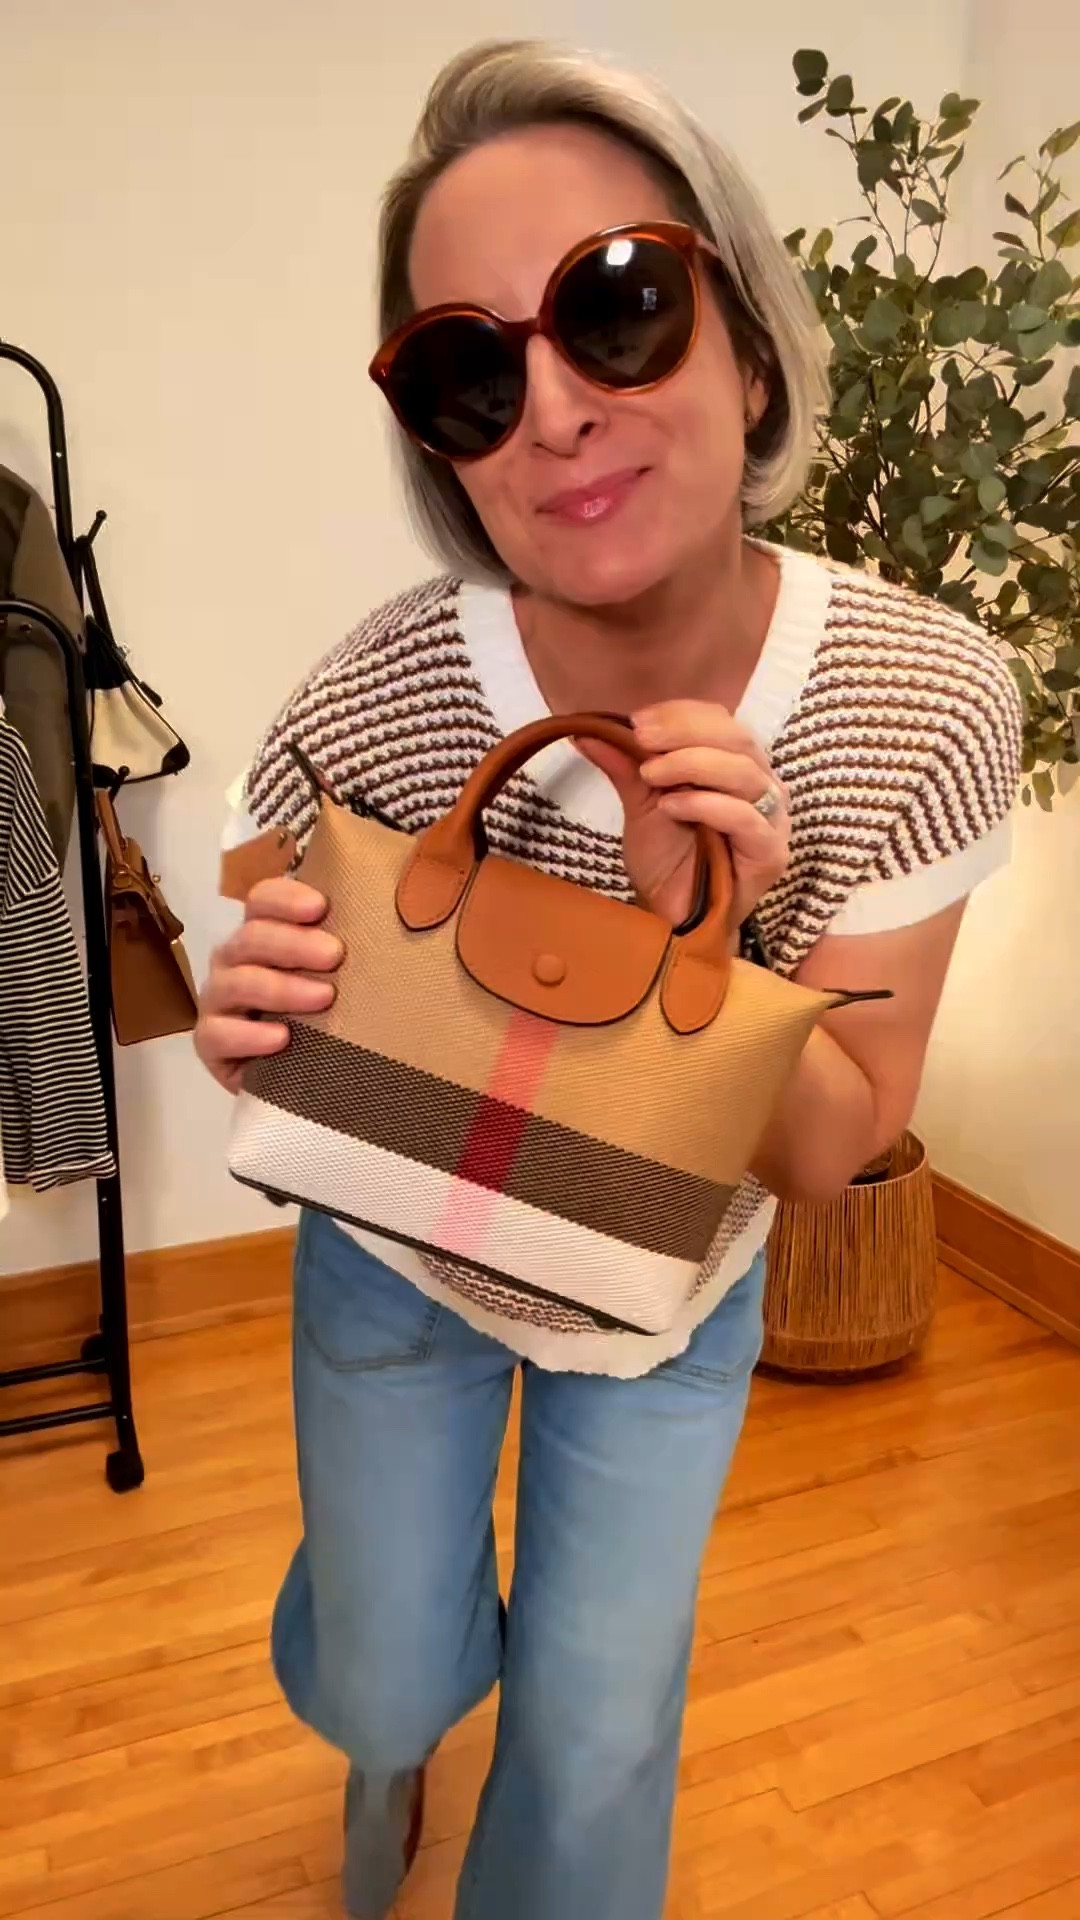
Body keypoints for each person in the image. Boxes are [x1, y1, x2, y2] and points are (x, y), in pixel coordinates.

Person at [196, 38, 1022, 1920]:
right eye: (471, 374)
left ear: (751, 345)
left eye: (620, 307)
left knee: (592, 1738)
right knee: (385, 1674)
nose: (555, 415)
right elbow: (266, 935)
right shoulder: (380, 689)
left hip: (667, 1283)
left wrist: (703, 926)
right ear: (440, 440)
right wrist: (256, 1017)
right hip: (402, 1245)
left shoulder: (923, 704)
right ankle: (392, 1730)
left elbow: (835, 1147)